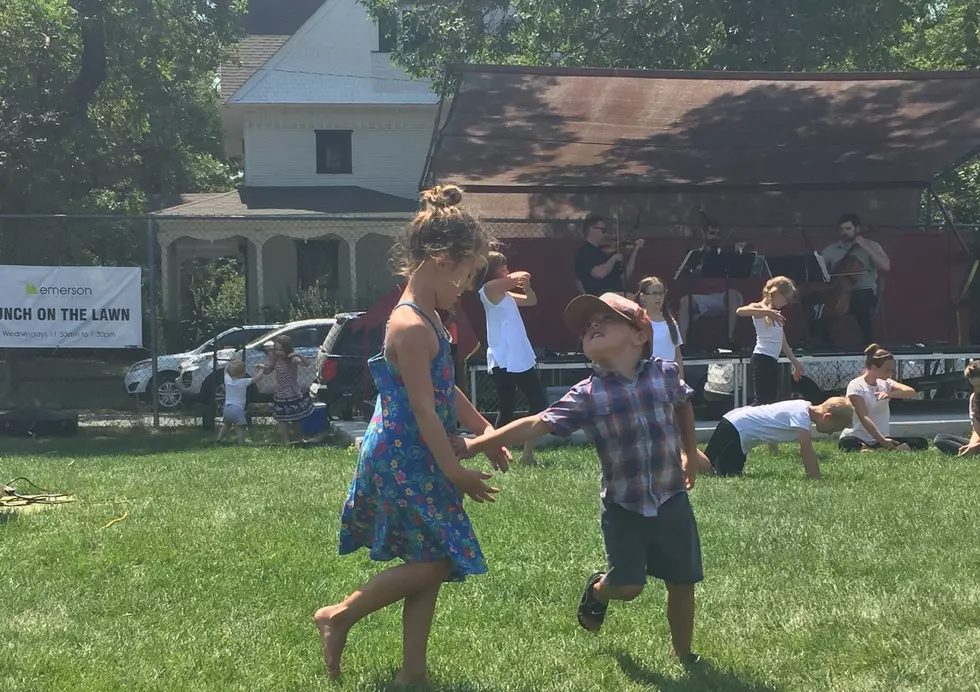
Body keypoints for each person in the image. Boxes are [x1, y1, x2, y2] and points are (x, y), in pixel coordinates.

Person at [314, 184, 512, 686]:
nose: (466, 287)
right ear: (442, 260)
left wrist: (484, 429)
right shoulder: (410, 326)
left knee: (428, 558)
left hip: (420, 449)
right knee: (437, 561)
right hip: (407, 454)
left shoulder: (431, 320)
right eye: (467, 275)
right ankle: (340, 615)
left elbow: (446, 391)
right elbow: (424, 409)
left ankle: (413, 674)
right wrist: (455, 469)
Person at [459, 292, 711, 665]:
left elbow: (683, 407)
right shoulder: (587, 395)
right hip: (623, 506)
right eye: (587, 325)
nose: (593, 325)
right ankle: (599, 589)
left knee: (682, 581)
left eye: (606, 319)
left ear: (639, 335)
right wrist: (477, 443)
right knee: (628, 586)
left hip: (671, 496)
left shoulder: (664, 373)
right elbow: (533, 423)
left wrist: (690, 452)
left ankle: (685, 655)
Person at [479, 251, 547, 465]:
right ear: (492, 270)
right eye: (502, 267)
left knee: (538, 402)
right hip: (502, 356)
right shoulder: (488, 290)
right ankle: (497, 451)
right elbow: (518, 275)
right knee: (506, 406)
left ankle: (527, 452)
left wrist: (526, 287)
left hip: (518, 355)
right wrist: (519, 278)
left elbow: (531, 300)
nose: (507, 270)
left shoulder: (506, 295)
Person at [705, 397, 853, 479]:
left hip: (739, 430)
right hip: (735, 428)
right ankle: (687, 453)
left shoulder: (802, 408)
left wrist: (773, 449)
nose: (829, 434)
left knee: (731, 474)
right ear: (826, 417)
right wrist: (816, 479)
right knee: (712, 470)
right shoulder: (801, 415)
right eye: (833, 429)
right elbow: (806, 450)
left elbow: (772, 421)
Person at [809, 213, 890, 346]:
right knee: (820, 302)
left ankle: (868, 339)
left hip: (865, 290)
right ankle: (825, 338)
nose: (844, 232)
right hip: (838, 290)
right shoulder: (832, 249)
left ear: (857, 229)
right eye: (842, 229)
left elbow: (886, 266)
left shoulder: (871, 245)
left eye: (848, 229)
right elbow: (819, 268)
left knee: (860, 300)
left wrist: (866, 247)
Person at [838, 344, 927, 452]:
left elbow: (911, 392)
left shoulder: (885, 383)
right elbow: (864, 417)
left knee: (921, 442)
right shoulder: (856, 386)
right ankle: (881, 449)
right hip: (859, 437)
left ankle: (874, 450)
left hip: (883, 438)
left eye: (891, 370)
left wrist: (890, 394)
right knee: (846, 442)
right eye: (887, 370)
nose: (890, 374)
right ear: (874, 368)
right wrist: (882, 441)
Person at [736, 276, 804, 406]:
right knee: (761, 401)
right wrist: (767, 312)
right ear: (777, 293)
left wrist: (796, 363)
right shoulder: (759, 308)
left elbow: (783, 343)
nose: (786, 303)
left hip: (772, 360)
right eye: (786, 298)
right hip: (761, 358)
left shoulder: (776, 315)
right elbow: (740, 311)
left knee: (770, 401)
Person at [676, 221, 744, 344]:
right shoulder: (695, 253)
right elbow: (682, 275)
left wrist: (738, 253)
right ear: (704, 235)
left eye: (718, 234)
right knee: (684, 301)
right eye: (712, 233)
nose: (715, 237)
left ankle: (730, 340)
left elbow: (738, 271)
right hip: (703, 297)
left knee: (733, 295)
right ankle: (682, 344)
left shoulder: (726, 253)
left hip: (722, 297)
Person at [256, 335, 313, 445]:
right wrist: (263, 368)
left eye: (281, 350)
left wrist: (297, 354)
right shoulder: (276, 359)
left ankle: (300, 439)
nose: (278, 352)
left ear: (287, 349)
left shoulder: (292, 358)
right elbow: (268, 371)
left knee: (296, 418)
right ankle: (286, 441)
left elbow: (307, 364)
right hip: (281, 391)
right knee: (282, 419)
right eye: (276, 349)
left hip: (292, 391)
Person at [573, 213, 644, 296]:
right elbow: (600, 273)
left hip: (617, 295)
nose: (605, 234)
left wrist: (635, 251)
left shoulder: (604, 253)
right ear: (592, 229)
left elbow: (624, 277)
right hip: (601, 298)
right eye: (603, 231)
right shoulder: (584, 253)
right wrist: (613, 259)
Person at [636, 276, 685, 380]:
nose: (658, 297)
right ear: (643, 296)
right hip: (647, 381)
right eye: (654, 294)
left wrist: (681, 381)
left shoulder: (670, 322)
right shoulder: (637, 323)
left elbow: (677, 356)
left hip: (669, 381)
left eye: (661, 293)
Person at [215, 358, 265, 446]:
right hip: (238, 409)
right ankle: (242, 444)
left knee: (226, 425)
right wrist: (261, 370)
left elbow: (225, 371)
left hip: (227, 408)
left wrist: (229, 363)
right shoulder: (244, 382)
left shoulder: (227, 380)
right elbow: (257, 379)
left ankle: (219, 439)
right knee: (240, 428)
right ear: (243, 373)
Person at [935, 361, 980, 456]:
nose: (977, 390)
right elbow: (977, 431)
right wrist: (971, 446)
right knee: (941, 439)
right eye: (973, 386)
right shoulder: (974, 398)